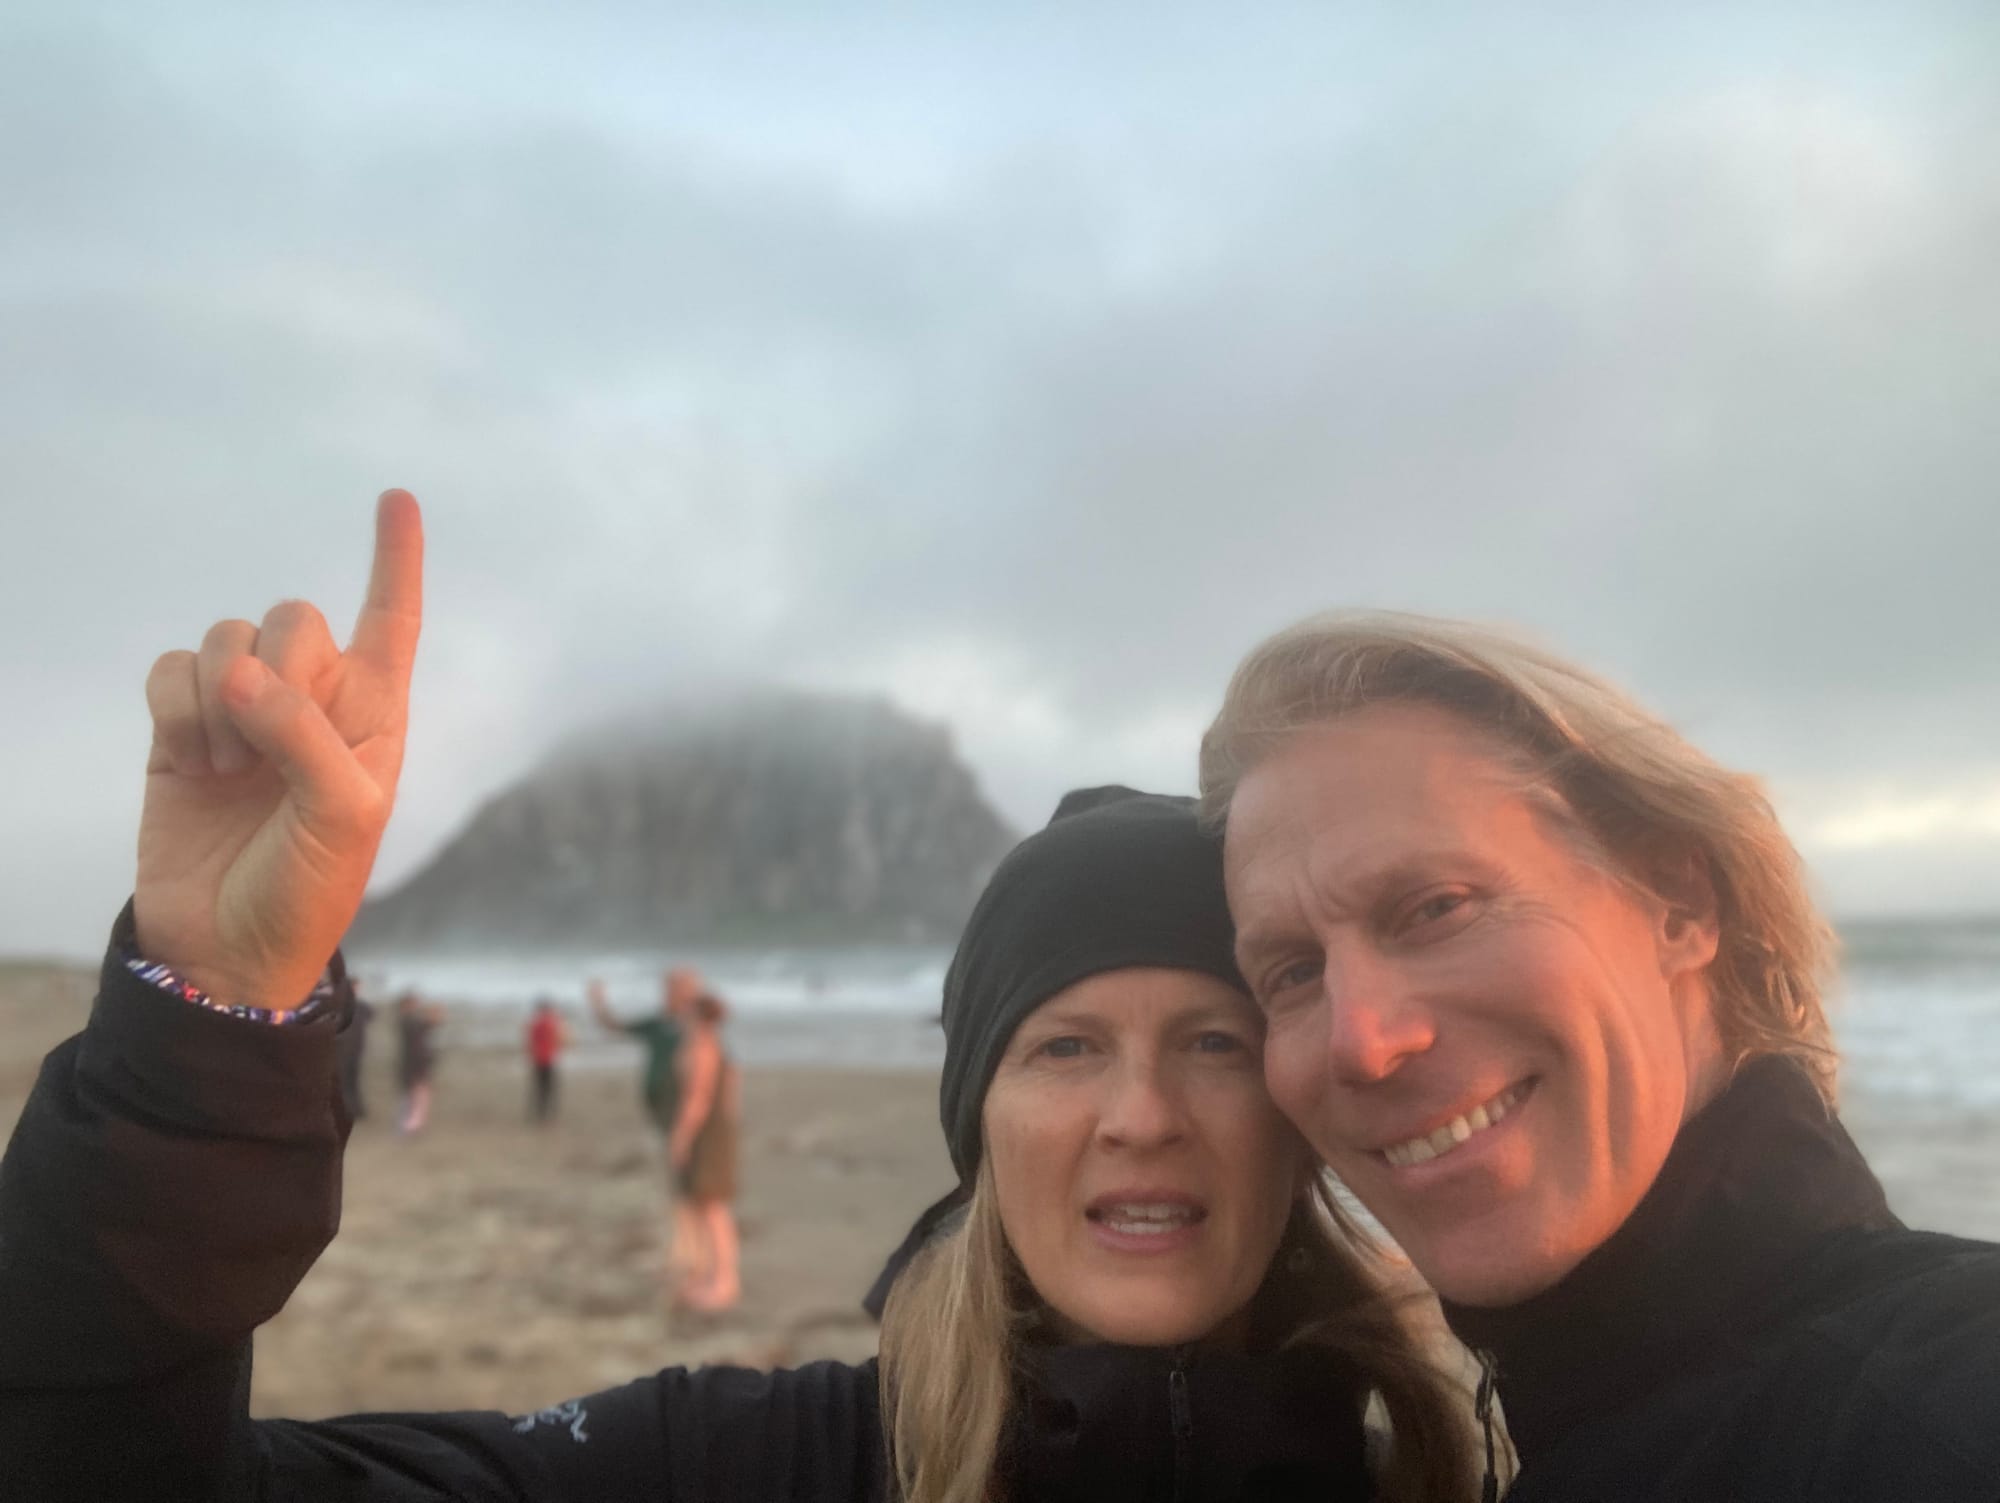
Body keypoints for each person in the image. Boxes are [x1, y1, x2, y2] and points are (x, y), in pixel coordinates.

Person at [0, 493, 1477, 1500]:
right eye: (1064, 1045)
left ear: (1296, 1102)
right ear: (978, 1117)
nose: (1139, 1114)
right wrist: (204, 1020)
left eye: (1212, 1040)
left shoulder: (1470, 1464)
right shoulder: (753, 1461)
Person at [1199, 609, 2000, 1502]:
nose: (1363, 1042)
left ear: (1678, 900)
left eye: (1436, 907)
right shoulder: (1570, 1426)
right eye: (1294, 971)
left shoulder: (1939, 1407)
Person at [668, 990, 740, 1310]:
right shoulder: (716, 1046)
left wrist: (680, 1139)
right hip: (715, 1132)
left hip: (705, 1135)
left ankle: (724, 1282)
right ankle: (707, 1276)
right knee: (701, 1206)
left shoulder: (703, 1048)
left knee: (712, 1209)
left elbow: (697, 1100)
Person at [393, 988, 444, 1135]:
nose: (416, 1006)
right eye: (414, 1003)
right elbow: (427, 1025)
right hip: (415, 1065)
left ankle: (412, 1126)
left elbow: (430, 1024)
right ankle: (408, 1127)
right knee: (413, 1097)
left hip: (416, 1064)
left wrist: (434, 1016)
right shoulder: (408, 1022)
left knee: (417, 1096)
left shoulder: (411, 1021)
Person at [525, 998, 567, 1124]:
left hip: (538, 1058)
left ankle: (539, 1114)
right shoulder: (552, 1022)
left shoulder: (535, 1023)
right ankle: (548, 1115)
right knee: (549, 1088)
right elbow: (560, 1039)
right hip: (548, 1059)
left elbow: (530, 1042)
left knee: (539, 1088)